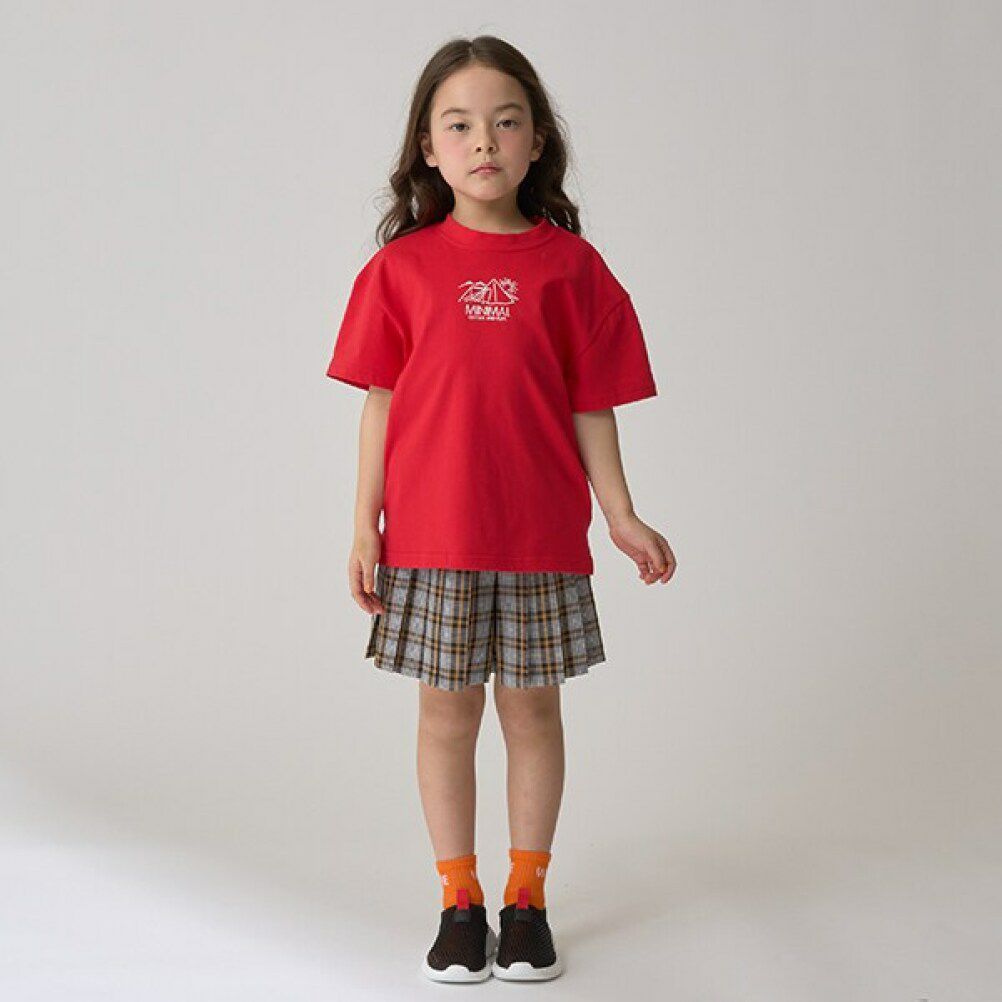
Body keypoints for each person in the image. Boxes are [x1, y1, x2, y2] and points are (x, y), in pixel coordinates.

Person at [325, 35, 676, 983]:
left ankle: (526, 899)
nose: (484, 141)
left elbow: (590, 404)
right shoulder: (400, 270)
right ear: (429, 149)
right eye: (459, 125)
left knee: (533, 714)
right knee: (445, 718)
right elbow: (380, 403)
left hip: (539, 537)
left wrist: (621, 514)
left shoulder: (573, 269)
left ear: (536, 143)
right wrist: (363, 526)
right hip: (431, 536)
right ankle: (458, 899)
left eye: (505, 122)